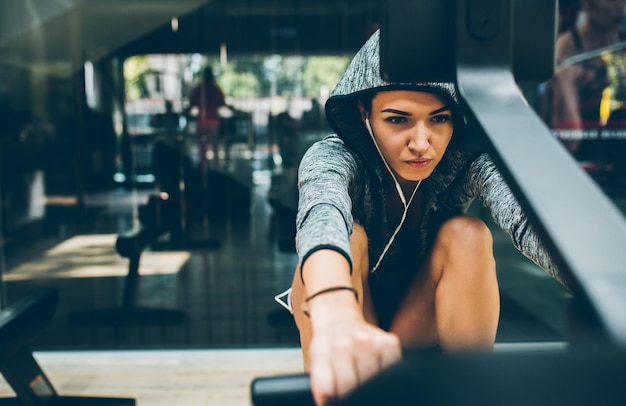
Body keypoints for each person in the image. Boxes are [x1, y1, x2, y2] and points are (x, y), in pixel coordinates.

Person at [276, 30, 566, 406]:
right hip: (343, 317)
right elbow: (321, 218)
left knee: (468, 234)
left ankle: (471, 393)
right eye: (398, 120)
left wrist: (604, 282)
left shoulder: (464, 162)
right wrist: (333, 310)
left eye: (439, 119)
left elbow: (527, 220)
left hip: (416, 322)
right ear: (365, 113)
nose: (421, 142)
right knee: (349, 238)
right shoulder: (332, 157)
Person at [547, 0, 626, 159]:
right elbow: (569, 138)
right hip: (579, 147)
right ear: (587, 4)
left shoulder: (619, 43)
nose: (618, 5)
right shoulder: (567, 46)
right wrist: (566, 81)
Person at [189, 66, 226, 169]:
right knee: (213, 148)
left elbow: (192, 103)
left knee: (203, 149)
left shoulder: (200, 89)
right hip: (212, 120)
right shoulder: (214, 89)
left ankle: (204, 169)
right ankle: (213, 170)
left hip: (203, 121)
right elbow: (222, 103)